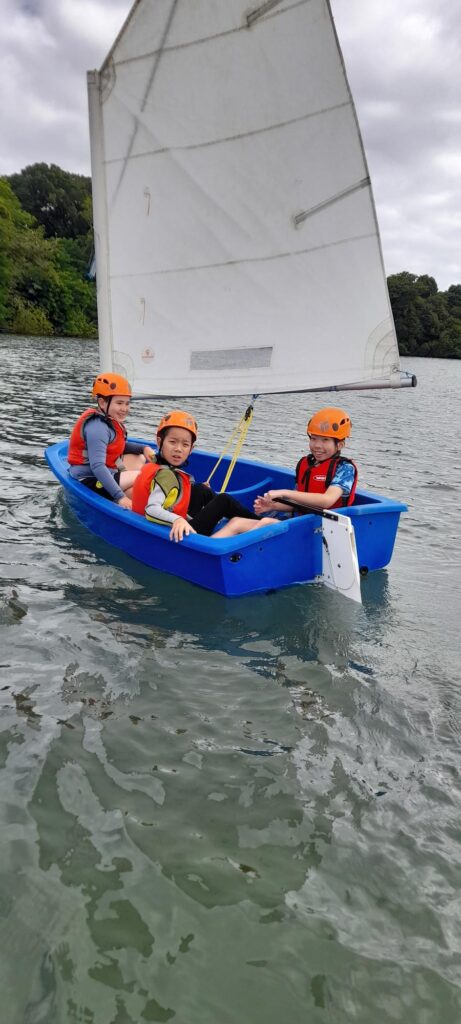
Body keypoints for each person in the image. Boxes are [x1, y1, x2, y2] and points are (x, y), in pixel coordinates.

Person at [131, 410, 274, 540]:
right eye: (172, 442)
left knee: (201, 489)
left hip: (164, 527)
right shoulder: (165, 475)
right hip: (178, 535)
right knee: (223, 500)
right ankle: (264, 524)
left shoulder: (156, 466)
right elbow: (151, 510)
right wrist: (177, 520)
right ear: (159, 441)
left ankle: (248, 521)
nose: (178, 449)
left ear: (191, 449)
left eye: (185, 444)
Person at [68, 373, 155, 510]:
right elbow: (97, 466)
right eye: (119, 403)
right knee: (144, 476)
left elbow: (118, 447)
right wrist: (120, 497)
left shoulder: (109, 421)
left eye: (127, 403)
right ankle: (129, 499)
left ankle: (135, 498)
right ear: (102, 403)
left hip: (107, 472)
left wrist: (143, 448)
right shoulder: (97, 428)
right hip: (89, 479)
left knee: (140, 458)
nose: (124, 409)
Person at [254, 407, 357, 517]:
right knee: (244, 520)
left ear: (340, 445)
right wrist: (273, 506)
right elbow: (298, 503)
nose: (317, 445)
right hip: (302, 521)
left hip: (325, 524)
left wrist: (284, 492)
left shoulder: (345, 469)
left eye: (325, 440)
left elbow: (327, 500)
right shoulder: (305, 464)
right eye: (313, 438)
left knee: (266, 522)